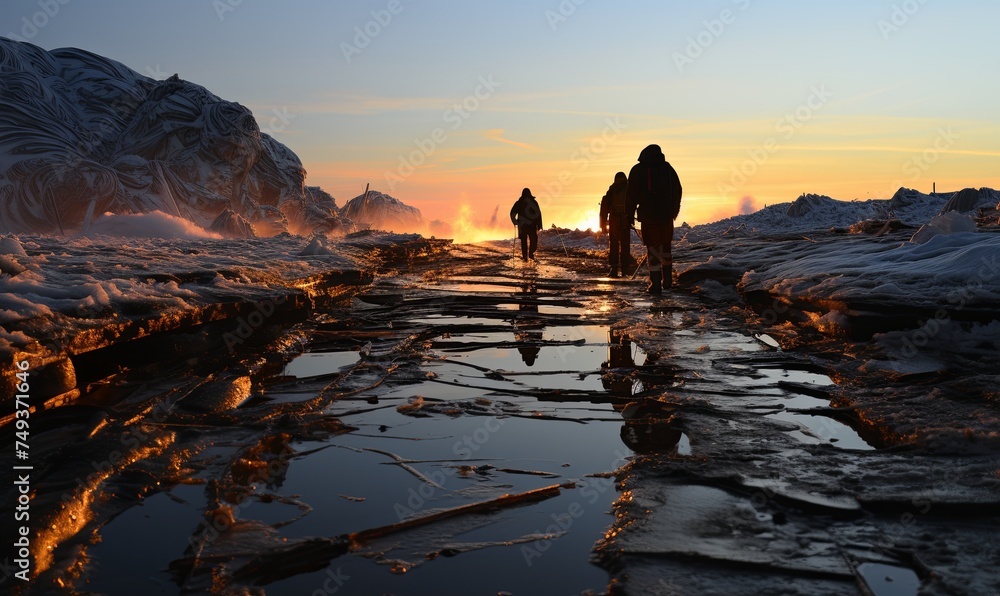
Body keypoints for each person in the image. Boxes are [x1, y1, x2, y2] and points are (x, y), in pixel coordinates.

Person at [625, 144, 682, 294]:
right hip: (666, 217)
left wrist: (629, 215)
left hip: (649, 216)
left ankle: (656, 284)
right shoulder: (668, 169)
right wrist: (673, 211)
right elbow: (678, 189)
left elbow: (631, 195)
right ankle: (668, 281)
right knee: (666, 248)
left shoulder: (638, 170)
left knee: (653, 249)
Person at [599, 172, 632, 277]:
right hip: (625, 221)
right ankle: (625, 270)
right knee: (625, 245)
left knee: (614, 245)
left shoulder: (612, 190)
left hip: (614, 221)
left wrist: (603, 225)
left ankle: (614, 269)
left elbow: (604, 209)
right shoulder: (629, 189)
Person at [510, 188, 543, 261]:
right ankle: (529, 254)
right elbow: (538, 214)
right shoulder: (532, 202)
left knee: (525, 241)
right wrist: (539, 224)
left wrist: (515, 222)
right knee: (532, 240)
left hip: (523, 226)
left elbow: (512, 213)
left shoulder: (519, 203)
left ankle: (527, 255)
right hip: (530, 225)